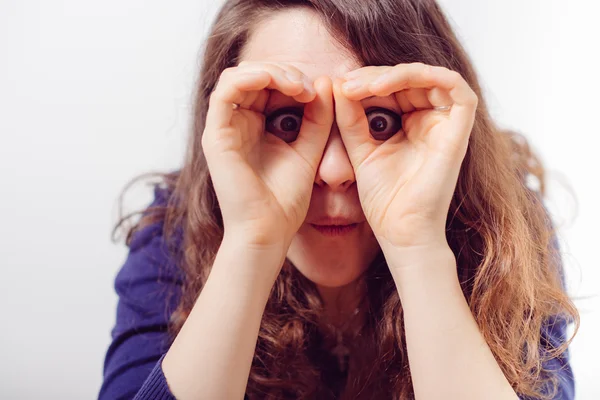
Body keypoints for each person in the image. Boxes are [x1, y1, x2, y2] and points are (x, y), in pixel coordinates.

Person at [98, 0, 579, 399]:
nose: (332, 171)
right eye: (286, 121)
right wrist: (252, 242)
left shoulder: (506, 227)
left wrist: (418, 247)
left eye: (379, 123)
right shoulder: (175, 231)